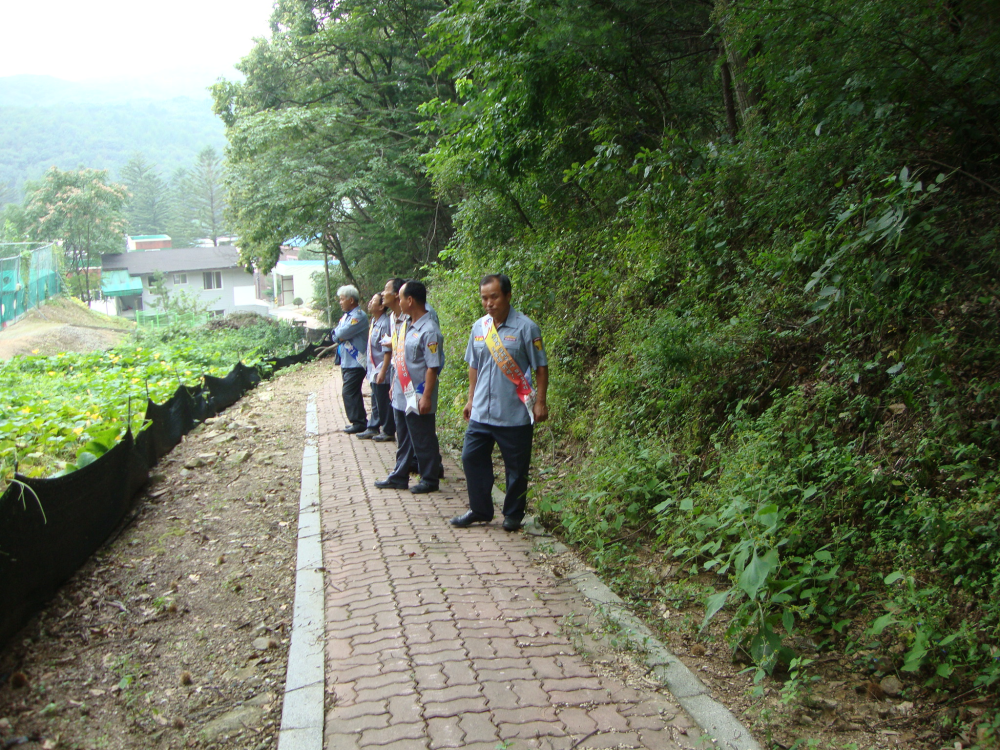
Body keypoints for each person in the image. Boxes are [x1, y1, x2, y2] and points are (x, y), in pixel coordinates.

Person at [451, 274, 548, 531]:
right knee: (471, 457)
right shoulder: (479, 327)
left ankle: (513, 514)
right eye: (484, 298)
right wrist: (470, 399)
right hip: (481, 411)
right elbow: (473, 366)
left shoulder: (527, 328)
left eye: (494, 297)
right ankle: (480, 509)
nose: (489, 303)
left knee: (516, 467)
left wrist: (541, 401)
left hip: (514, 412)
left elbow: (541, 367)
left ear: (508, 296)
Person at [375, 279, 444, 493]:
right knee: (403, 436)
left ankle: (429, 479)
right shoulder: (405, 325)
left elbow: (432, 367)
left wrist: (426, 396)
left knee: (423, 437)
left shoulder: (429, 330)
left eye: (401, 298)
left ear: (410, 300)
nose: (399, 301)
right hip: (401, 392)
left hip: (417, 393)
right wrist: (393, 383)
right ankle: (399, 475)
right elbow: (400, 357)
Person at [357, 293, 395, 440]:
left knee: (383, 401)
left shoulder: (385, 323)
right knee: (375, 399)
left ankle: (388, 430)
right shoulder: (374, 321)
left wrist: (383, 371)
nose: (369, 303)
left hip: (381, 368)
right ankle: (373, 427)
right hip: (373, 368)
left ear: (380, 306)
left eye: (373, 301)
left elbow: (387, 350)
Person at [333, 284, 369, 433]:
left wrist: (338, 335)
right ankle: (358, 421)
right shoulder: (346, 316)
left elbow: (341, 333)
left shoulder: (358, 316)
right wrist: (338, 335)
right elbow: (336, 334)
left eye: (342, 299)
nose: (340, 302)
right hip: (347, 361)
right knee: (353, 392)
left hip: (356, 362)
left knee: (348, 392)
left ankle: (359, 422)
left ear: (351, 300)